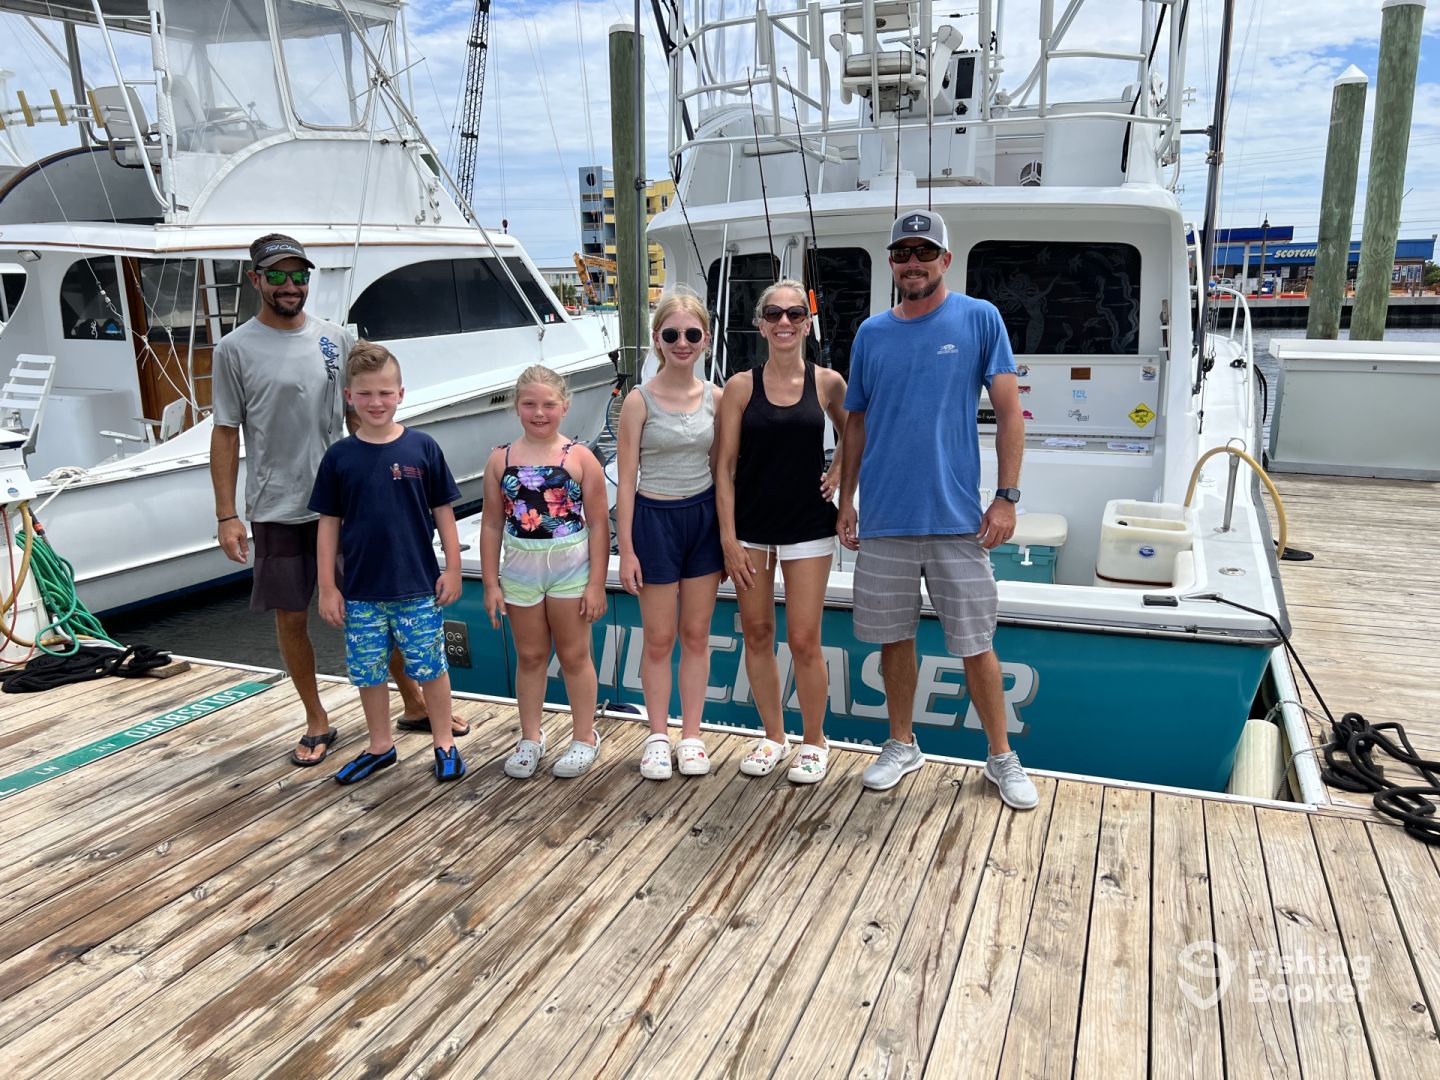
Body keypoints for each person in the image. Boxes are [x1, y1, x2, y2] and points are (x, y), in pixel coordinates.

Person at [211, 233, 454, 769]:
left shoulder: (335, 339)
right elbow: (225, 431)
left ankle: (415, 703)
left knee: (382, 604)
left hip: (349, 505)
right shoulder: (233, 349)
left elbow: (361, 414)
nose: (290, 285)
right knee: (292, 616)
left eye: (298, 274)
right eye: (277, 275)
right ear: (255, 280)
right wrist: (227, 514)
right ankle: (317, 718)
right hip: (277, 505)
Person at [837, 209, 1038, 810]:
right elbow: (855, 423)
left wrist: (1006, 497)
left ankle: (1001, 757)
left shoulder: (980, 318)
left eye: (925, 252)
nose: (913, 263)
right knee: (893, 640)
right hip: (884, 519)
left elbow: (1010, 413)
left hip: (957, 519)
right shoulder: (871, 333)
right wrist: (846, 500)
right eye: (903, 253)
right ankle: (901, 743)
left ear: (945, 260)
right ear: (891, 263)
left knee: (976, 643)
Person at [309, 342, 466, 783]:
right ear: (349, 397)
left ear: (401, 394)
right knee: (368, 672)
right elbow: (328, 526)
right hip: (361, 592)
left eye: (384, 393)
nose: (375, 402)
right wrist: (328, 587)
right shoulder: (339, 457)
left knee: (431, 667)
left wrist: (453, 568)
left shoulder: (423, 447)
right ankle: (380, 745)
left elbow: (444, 513)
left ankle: (444, 742)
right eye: (365, 393)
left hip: (418, 586)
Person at [715, 280, 847, 784]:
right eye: (774, 314)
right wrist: (728, 538)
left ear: (807, 324)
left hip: (808, 527)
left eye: (794, 314)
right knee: (757, 634)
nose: (784, 322)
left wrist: (840, 471)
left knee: (805, 638)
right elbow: (725, 468)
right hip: (751, 531)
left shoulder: (828, 382)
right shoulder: (740, 387)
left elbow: (856, 430)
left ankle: (815, 740)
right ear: (761, 324)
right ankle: (773, 735)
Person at [615, 289, 725, 780]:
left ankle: (692, 736)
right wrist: (627, 549)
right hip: (654, 520)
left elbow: (723, 472)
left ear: (705, 339)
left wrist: (728, 538)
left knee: (696, 635)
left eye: (692, 334)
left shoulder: (717, 399)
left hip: (702, 519)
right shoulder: (638, 402)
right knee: (659, 639)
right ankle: (658, 736)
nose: (683, 342)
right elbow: (626, 481)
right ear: (658, 339)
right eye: (672, 334)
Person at [480, 366, 610, 779]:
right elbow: (491, 524)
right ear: (516, 407)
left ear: (564, 407)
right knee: (531, 655)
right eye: (530, 404)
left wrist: (596, 584)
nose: (539, 413)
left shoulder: (580, 458)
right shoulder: (500, 460)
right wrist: (490, 584)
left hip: (570, 570)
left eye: (549, 404)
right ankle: (531, 737)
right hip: (521, 571)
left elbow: (599, 525)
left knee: (574, 655)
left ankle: (584, 736)